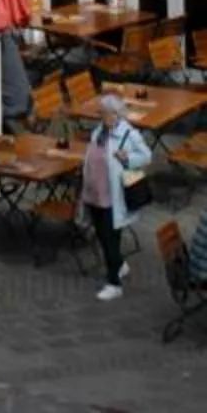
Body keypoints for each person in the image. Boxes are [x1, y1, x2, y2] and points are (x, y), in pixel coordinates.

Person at [82, 93, 152, 299]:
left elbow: (146, 156)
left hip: (114, 197)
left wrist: (128, 158)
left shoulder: (128, 134)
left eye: (104, 113)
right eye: (101, 113)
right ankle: (119, 265)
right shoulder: (98, 132)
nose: (101, 116)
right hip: (95, 193)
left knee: (111, 239)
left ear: (115, 115)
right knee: (102, 236)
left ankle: (114, 283)